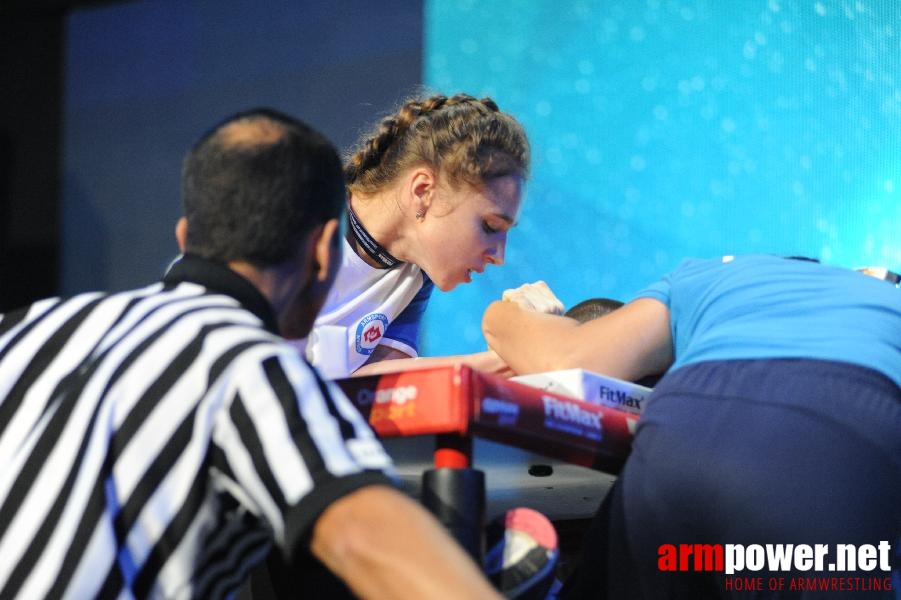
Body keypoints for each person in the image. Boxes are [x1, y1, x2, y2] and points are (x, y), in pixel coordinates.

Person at [0, 108, 505, 600]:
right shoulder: (253, 371)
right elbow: (359, 537)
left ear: (185, 237)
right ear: (326, 251)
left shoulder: (28, 327)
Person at [482, 255, 901, 598]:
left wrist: (504, 313)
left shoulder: (715, 273)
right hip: (837, 442)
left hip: (684, 432)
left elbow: (571, 355)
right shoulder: (886, 306)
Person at [292, 92, 530, 379]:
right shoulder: (301, 217)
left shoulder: (416, 274)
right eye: (490, 227)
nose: (498, 256)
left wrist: (516, 358)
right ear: (423, 191)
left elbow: (379, 385)